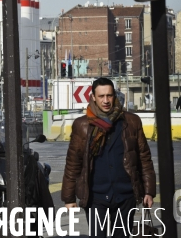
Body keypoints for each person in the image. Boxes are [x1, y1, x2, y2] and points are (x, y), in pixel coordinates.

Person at [61, 77, 155, 238]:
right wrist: (69, 198)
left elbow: (144, 159)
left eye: (109, 96)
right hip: (95, 197)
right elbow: (73, 164)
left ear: (115, 96)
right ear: (93, 97)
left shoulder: (131, 122)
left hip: (126, 196)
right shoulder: (82, 125)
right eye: (101, 96)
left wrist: (149, 191)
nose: (106, 101)